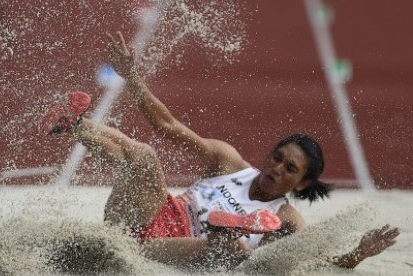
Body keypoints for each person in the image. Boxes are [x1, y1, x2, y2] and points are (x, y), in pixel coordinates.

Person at [44, 31, 400, 271]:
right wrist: (131, 74)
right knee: (144, 156)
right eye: (277, 157)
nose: (277, 168)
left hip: (175, 249)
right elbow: (167, 126)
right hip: (150, 214)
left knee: (234, 250)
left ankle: (130, 254)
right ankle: (73, 125)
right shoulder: (229, 162)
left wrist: (355, 256)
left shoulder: (287, 219)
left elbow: (310, 265)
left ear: (303, 184)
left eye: (290, 169)